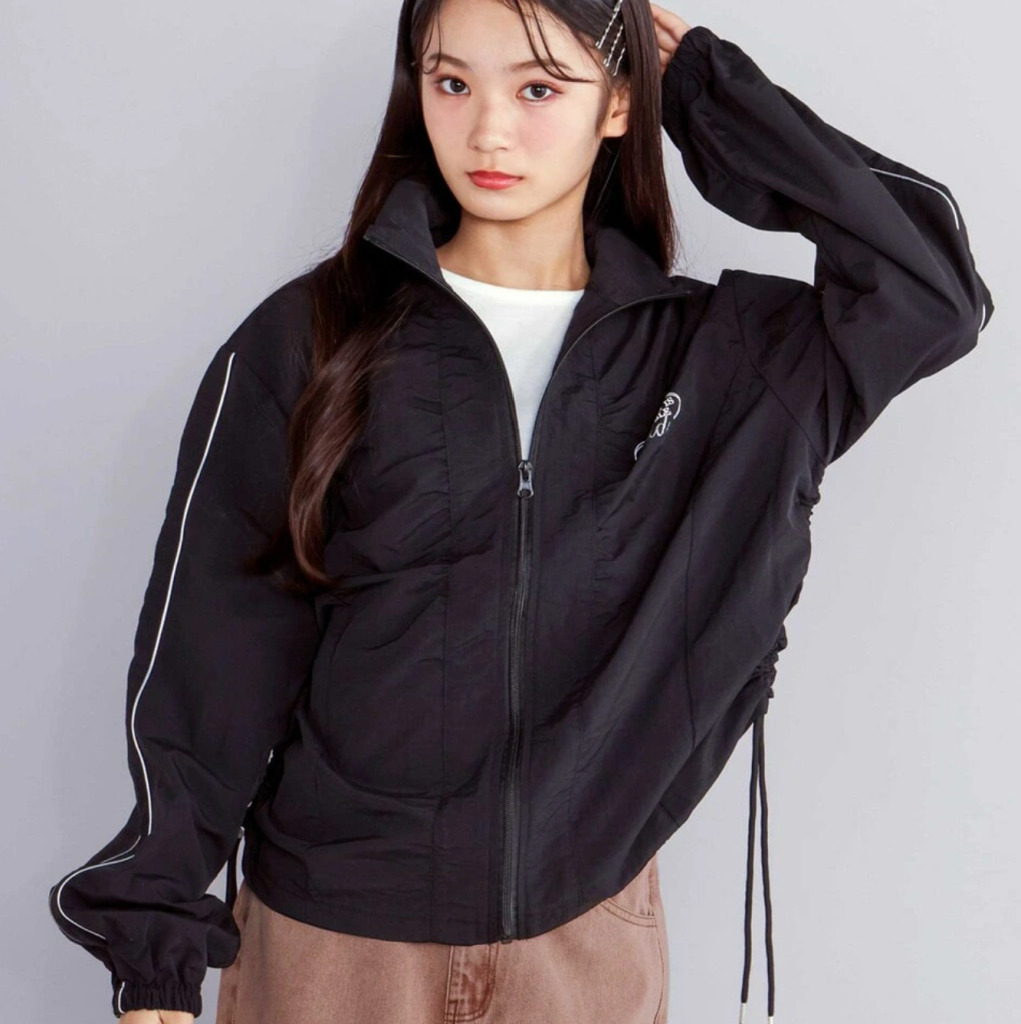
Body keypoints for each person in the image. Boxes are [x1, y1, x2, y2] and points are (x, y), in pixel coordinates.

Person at [47, 1, 994, 1022]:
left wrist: (708, 92)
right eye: (451, 83)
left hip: (583, 943)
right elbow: (209, 652)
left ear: (619, 103)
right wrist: (154, 950)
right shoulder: (309, 338)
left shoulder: (730, 362)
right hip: (334, 944)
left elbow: (931, 291)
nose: (488, 130)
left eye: (539, 87)